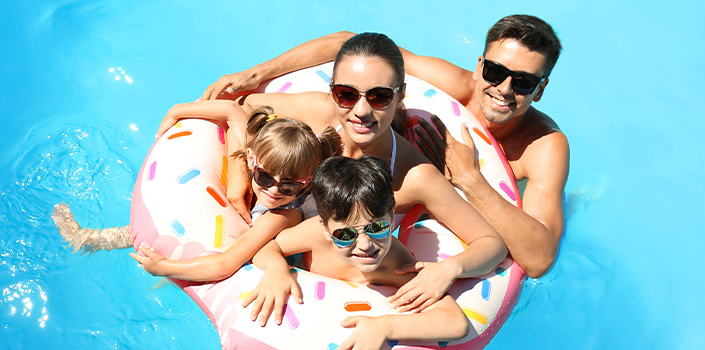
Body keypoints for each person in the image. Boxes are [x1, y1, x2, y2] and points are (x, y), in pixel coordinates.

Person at [157, 32, 507, 325]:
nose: (361, 111)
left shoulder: (413, 175)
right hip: (268, 236)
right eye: (346, 94)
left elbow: (491, 244)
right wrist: (238, 185)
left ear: (400, 94)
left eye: (380, 96)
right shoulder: (320, 112)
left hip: (332, 264)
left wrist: (450, 269)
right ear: (333, 91)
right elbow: (244, 109)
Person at [198, 15, 568, 279]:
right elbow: (351, 45)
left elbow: (538, 259)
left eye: (523, 81)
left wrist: (469, 178)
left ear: (541, 88)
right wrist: (258, 74)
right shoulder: (447, 86)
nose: (504, 89)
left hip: (452, 192)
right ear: (480, 66)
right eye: (495, 72)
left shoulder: (542, 145)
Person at [55, 102, 342, 282]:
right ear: (252, 160)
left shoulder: (284, 215)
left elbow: (225, 264)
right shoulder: (262, 153)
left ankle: (90, 239)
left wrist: (165, 267)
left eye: (289, 185)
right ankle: (89, 238)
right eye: (264, 177)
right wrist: (177, 111)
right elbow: (232, 112)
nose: (274, 190)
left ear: (306, 183)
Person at [251, 155, 469, 349]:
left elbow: (455, 322)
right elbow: (267, 247)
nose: (365, 245)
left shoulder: (397, 265)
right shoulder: (315, 235)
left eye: (377, 228)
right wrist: (276, 268)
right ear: (326, 229)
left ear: (392, 218)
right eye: (345, 234)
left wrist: (385, 326)